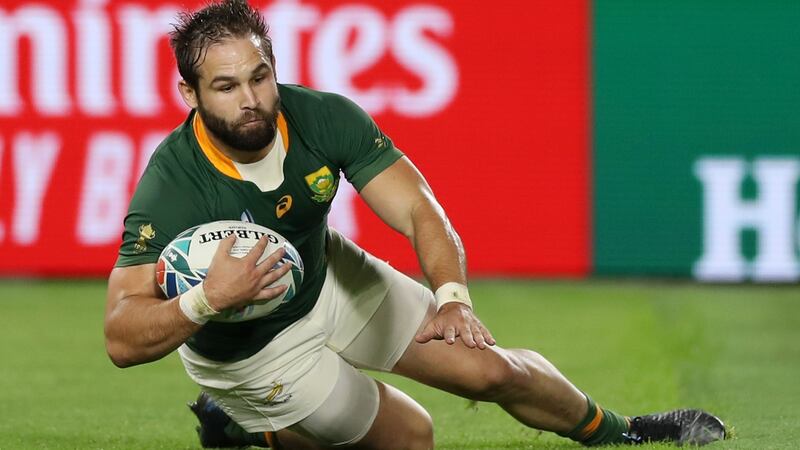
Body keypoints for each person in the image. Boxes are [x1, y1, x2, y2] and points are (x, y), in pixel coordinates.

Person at [104, 0, 726, 448]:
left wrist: (453, 299)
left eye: (260, 76)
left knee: (492, 369)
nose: (250, 100)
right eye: (225, 86)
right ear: (189, 94)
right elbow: (121, 338)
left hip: (329, 280)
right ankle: (248, 426)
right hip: (254, 350)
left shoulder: (322, 118)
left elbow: (418, 208)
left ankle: (623, 434)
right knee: (411, 438)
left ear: (273, 66)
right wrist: (209, 298)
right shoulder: (172, 184)